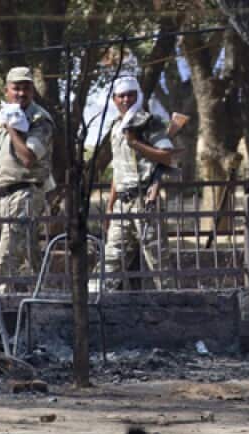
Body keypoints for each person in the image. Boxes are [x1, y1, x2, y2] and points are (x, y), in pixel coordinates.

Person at [0, 67, 55, 294]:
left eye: (26, 88)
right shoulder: (8, 115)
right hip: (5, 194)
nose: (21, 93)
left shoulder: (39, 120)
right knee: (29, 251)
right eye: (16, 88)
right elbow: (8, 153)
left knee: (7, 252)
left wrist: (11, 129)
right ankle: (45, 295)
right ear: (6, 90)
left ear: (33, 90)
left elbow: (28, 158)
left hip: (26, 193)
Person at [104, 75, 176, 290]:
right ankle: (97, 305)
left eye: (130, 95)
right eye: (121, 96)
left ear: (138, 96)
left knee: (158, 262)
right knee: (110, 262)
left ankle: (172, 305)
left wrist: (135, 143)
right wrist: (110, 206)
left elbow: (166, 155)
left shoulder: (148, 121)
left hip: (144, 200)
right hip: (122, 204)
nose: (126, 99)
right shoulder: (116, 126)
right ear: (114, 99)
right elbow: (119, 169)